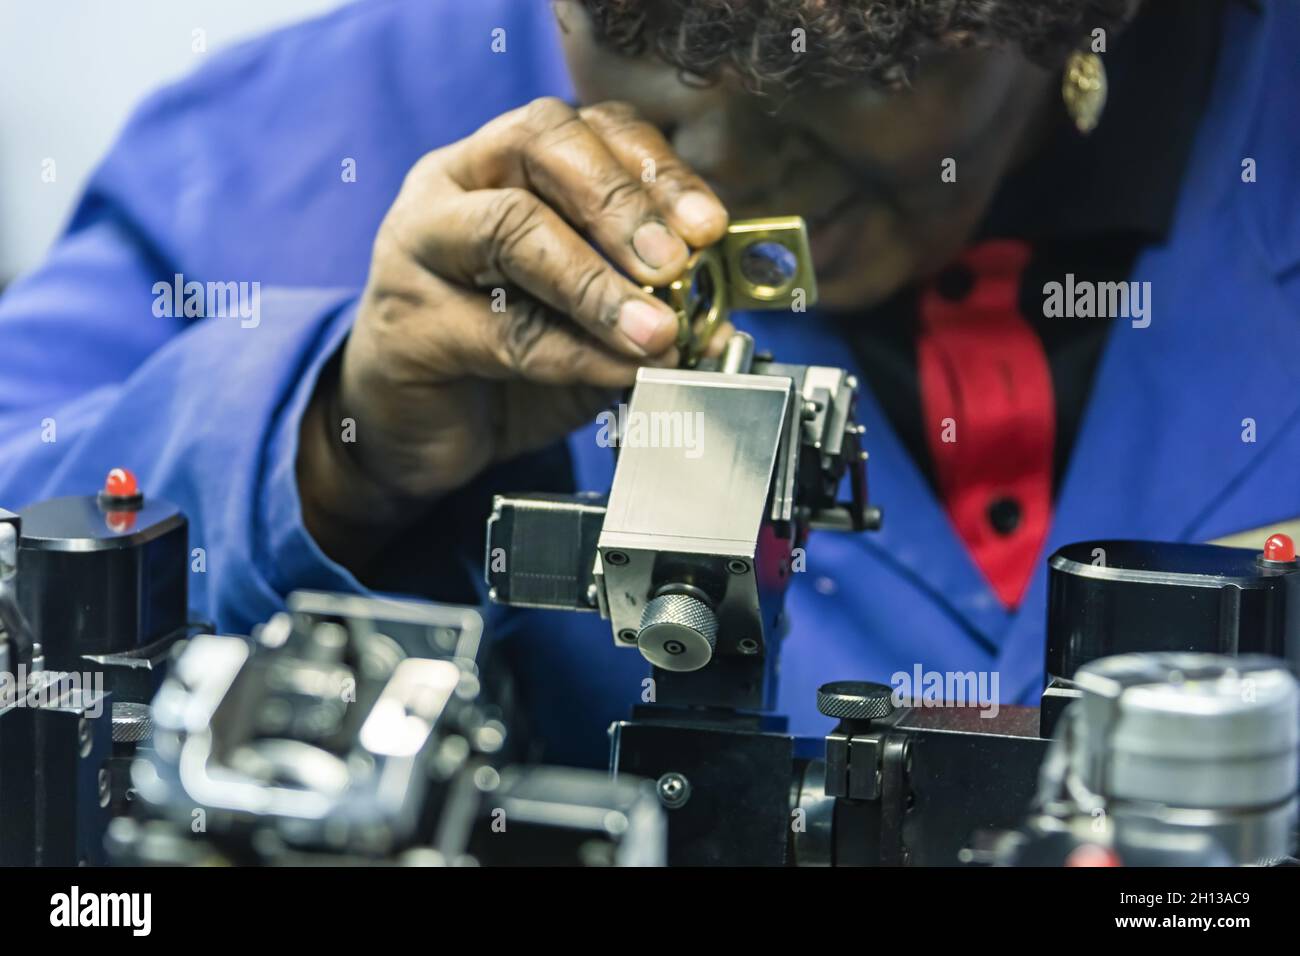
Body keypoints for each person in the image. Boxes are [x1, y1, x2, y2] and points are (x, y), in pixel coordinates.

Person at [1, 0, 1296, 766]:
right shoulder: (299, 137)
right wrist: (335, 443)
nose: (716, 178)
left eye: (830, 94)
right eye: (632, 38)